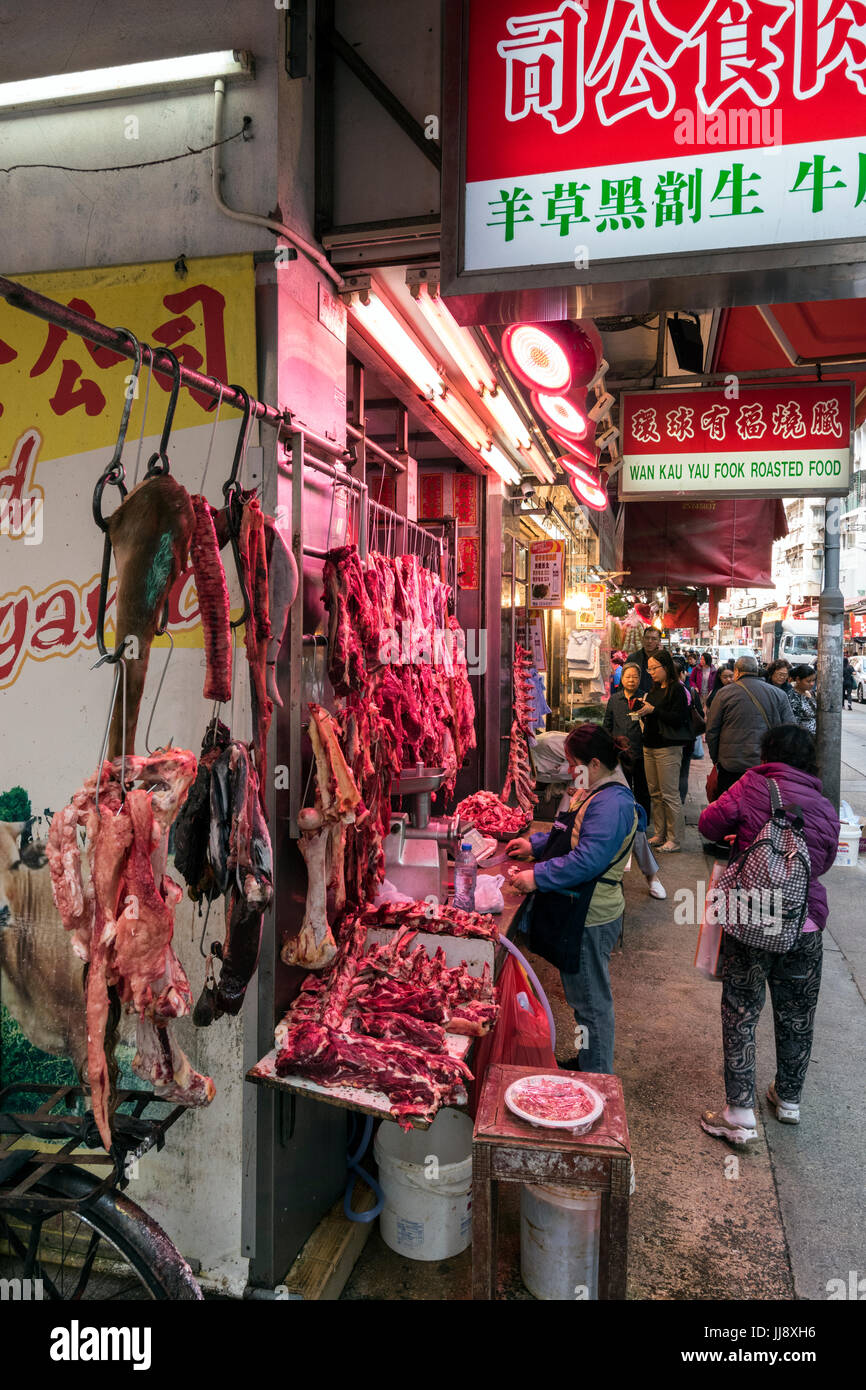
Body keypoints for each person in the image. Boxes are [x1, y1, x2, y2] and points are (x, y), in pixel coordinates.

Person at [696, 725, 840, 1148]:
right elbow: (826, 859)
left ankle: (739, 1114)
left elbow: (708, 823)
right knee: (797, 1013)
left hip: (749, 917)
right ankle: (789, 1099)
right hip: (804, 922)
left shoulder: (751, 784)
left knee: (741, 1011)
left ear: (767, 754)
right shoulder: (822, 802)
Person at [506, 724, 640, 1073]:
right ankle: (586, 1060)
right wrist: (533, 845)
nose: (568, 769)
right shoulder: (593, 789)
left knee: (591, 1004)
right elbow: (567, 834)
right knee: (583, 1002)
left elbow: (587, 860)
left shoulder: (611, 803)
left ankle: (595, 1074)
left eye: (572, 762)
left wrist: (536, 877)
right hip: (579, 909)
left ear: (594, 763)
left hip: (590, 916)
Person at [603, 661, 666, 899]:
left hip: (642, 751)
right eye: (628, 676)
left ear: (640, 680)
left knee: (643, 791)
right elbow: (607, 724)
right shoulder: (615, 699)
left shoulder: (645, 698)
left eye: (635, 677)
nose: (631, 680)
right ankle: (627, 822)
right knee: (622, 789)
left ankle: (642, 825)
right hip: (621, 753)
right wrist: (610, 745)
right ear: (622, 678)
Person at [705, 655, 791, 798]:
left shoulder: (723, 694)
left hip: (730, 764)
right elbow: (789, 729)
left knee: (729, 806)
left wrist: (716, 759)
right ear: (756, 671)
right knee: (760, 807)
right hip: (765, 764)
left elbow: (712, 731)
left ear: (737, 672)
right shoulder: (779, 694)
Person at [634, 648, 692, 851]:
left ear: (665, 667)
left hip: (668, 747)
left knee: (669, 794)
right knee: (655, 793)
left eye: (654, 668)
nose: (651, 672)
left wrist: (654, 710)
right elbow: (655, 714)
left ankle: (674, 839)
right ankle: (660, 833)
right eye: (648, 669)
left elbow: (680, 718)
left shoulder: (677, 689)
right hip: (649, 744)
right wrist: (643, 710)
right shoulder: (655, 687)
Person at [674, 655, 705, 804]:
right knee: (682, 774)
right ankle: (680, 803)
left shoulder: (662, 691)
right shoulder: (689, 691)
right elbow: (700, 714)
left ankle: (672, 803)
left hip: (668, 742)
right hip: (686, 740)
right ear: (682, 673)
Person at [628, 624, 662, 695]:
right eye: (647, 638)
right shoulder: (633, 658)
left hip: (658, 700)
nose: (649, 641)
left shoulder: (663, 659)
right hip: (636, 699)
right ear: (643, 639)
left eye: (654, 639)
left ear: (659, 641)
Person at [788, 664, 817, 735]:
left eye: (813, 680)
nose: (812, 684)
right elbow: (793, 722)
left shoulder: (810, 692)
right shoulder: (792, 697)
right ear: (798, 679)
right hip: (802, 738)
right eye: (808, 681)